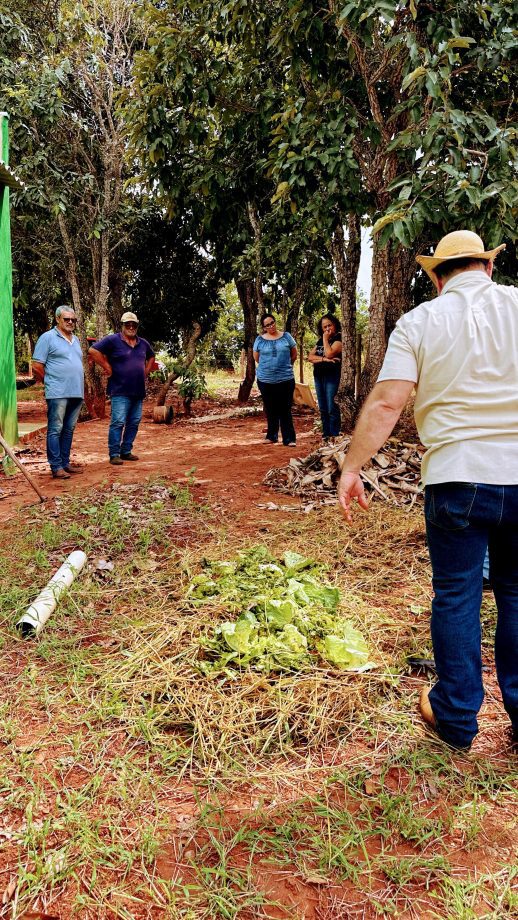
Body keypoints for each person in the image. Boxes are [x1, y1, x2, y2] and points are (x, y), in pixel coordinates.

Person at [337, 230, 518, 752]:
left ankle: (457, 719)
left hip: (457, 477)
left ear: (437, 277)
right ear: (487, 267)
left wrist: (353, 466)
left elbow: (389, 402)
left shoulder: (419, 321)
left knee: (457, 595)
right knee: (515, 594)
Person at [89, 312, 155, 465]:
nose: (131, 327)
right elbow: (93, 351)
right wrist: (106, 366)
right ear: (122, 325)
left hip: (138, 390)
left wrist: (146, 371)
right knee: (118, 421)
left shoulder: (143, 343)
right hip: (119, 390)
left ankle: (126, 451)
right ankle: (114, 454)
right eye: (128, 324)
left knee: (134, 421)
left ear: (137, 326)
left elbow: (151, 356)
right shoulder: (113, 340)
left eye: (134, 324)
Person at [32, 305, 84, 479]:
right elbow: (37, 365)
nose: (70, 322)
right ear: (57, 319)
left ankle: (65, 462)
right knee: (56, 428)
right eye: (66, 319)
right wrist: (51, 382)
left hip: (76, 392)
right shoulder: (47, 338)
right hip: (57, 392)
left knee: (69, 429)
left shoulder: (75, 340)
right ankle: (56, 466)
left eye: (73, 320)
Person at [253, 313, 297, 446]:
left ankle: (289, 439)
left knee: (285, 408)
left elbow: (294, 354)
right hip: (265, 380)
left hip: (285, 379)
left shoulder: (286, 336)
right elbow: (257, 358)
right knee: (270, 408)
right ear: (264, 327)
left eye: (272, 322)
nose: (271, 326)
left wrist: (283, 366)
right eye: (267, 325)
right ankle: (272, 436)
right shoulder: (259, 340)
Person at [308, 313, 342, 439]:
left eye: (329, 325)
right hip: (318, 376)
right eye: (324, 327)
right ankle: (326, 435)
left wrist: (325, 340)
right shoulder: (320, 340)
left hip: (331, 377)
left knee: (331, 407)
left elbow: (329, 353)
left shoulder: (339, 339)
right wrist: (323, 360)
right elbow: (310, 357)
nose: (327, 329)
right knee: (322, 407)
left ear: (335, 325)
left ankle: (334, 435)